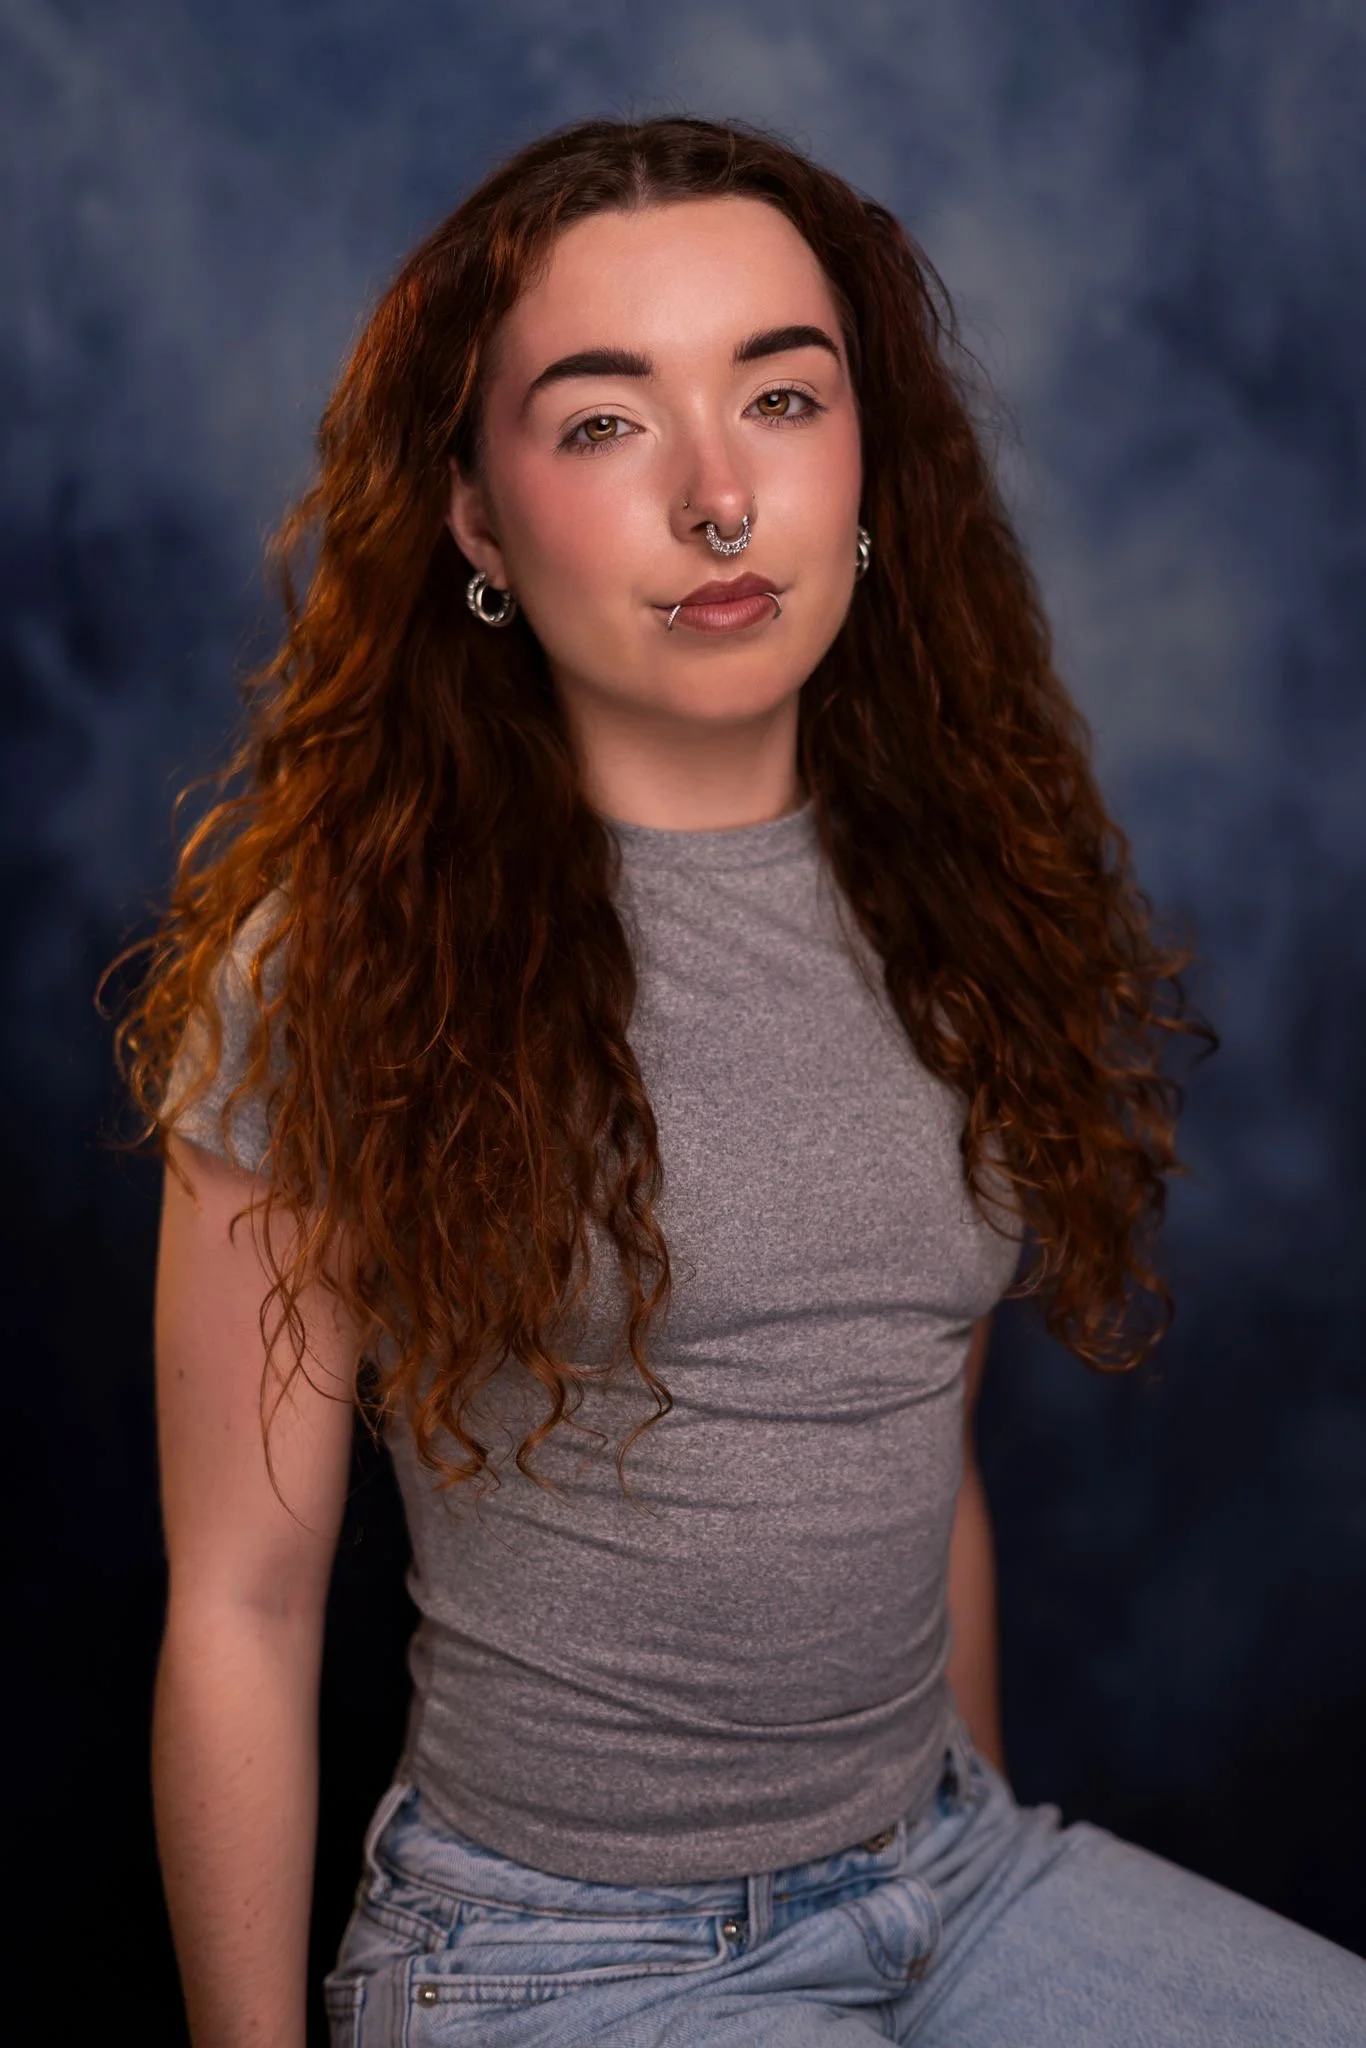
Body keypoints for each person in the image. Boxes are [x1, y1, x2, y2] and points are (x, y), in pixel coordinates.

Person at [110, 115, 1366, 2046]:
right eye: (605, 423)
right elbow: (242, 1611)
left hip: (946, 1869)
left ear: (867, 462)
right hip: (556, 1959)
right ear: (474, 522)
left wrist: (956, 1945)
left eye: (780, 398)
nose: (719, 500)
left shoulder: (965, 891)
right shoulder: (340, 966)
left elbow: (919, 1457)